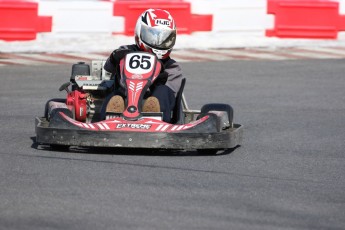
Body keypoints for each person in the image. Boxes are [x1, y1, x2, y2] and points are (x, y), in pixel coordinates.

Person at [103, 8, 184, 123]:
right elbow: (108, 69)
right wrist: (114, 58)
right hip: (124, 95)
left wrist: (159, 78)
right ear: (139, 32)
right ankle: (108, 118)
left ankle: (153, 114)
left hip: (154, 102)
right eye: (153, 36)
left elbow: (172, 93)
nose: (158, 42)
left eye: (165, 38)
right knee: (114, 95)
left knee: (162, 92)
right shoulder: (125, 51)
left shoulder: (171, 67)